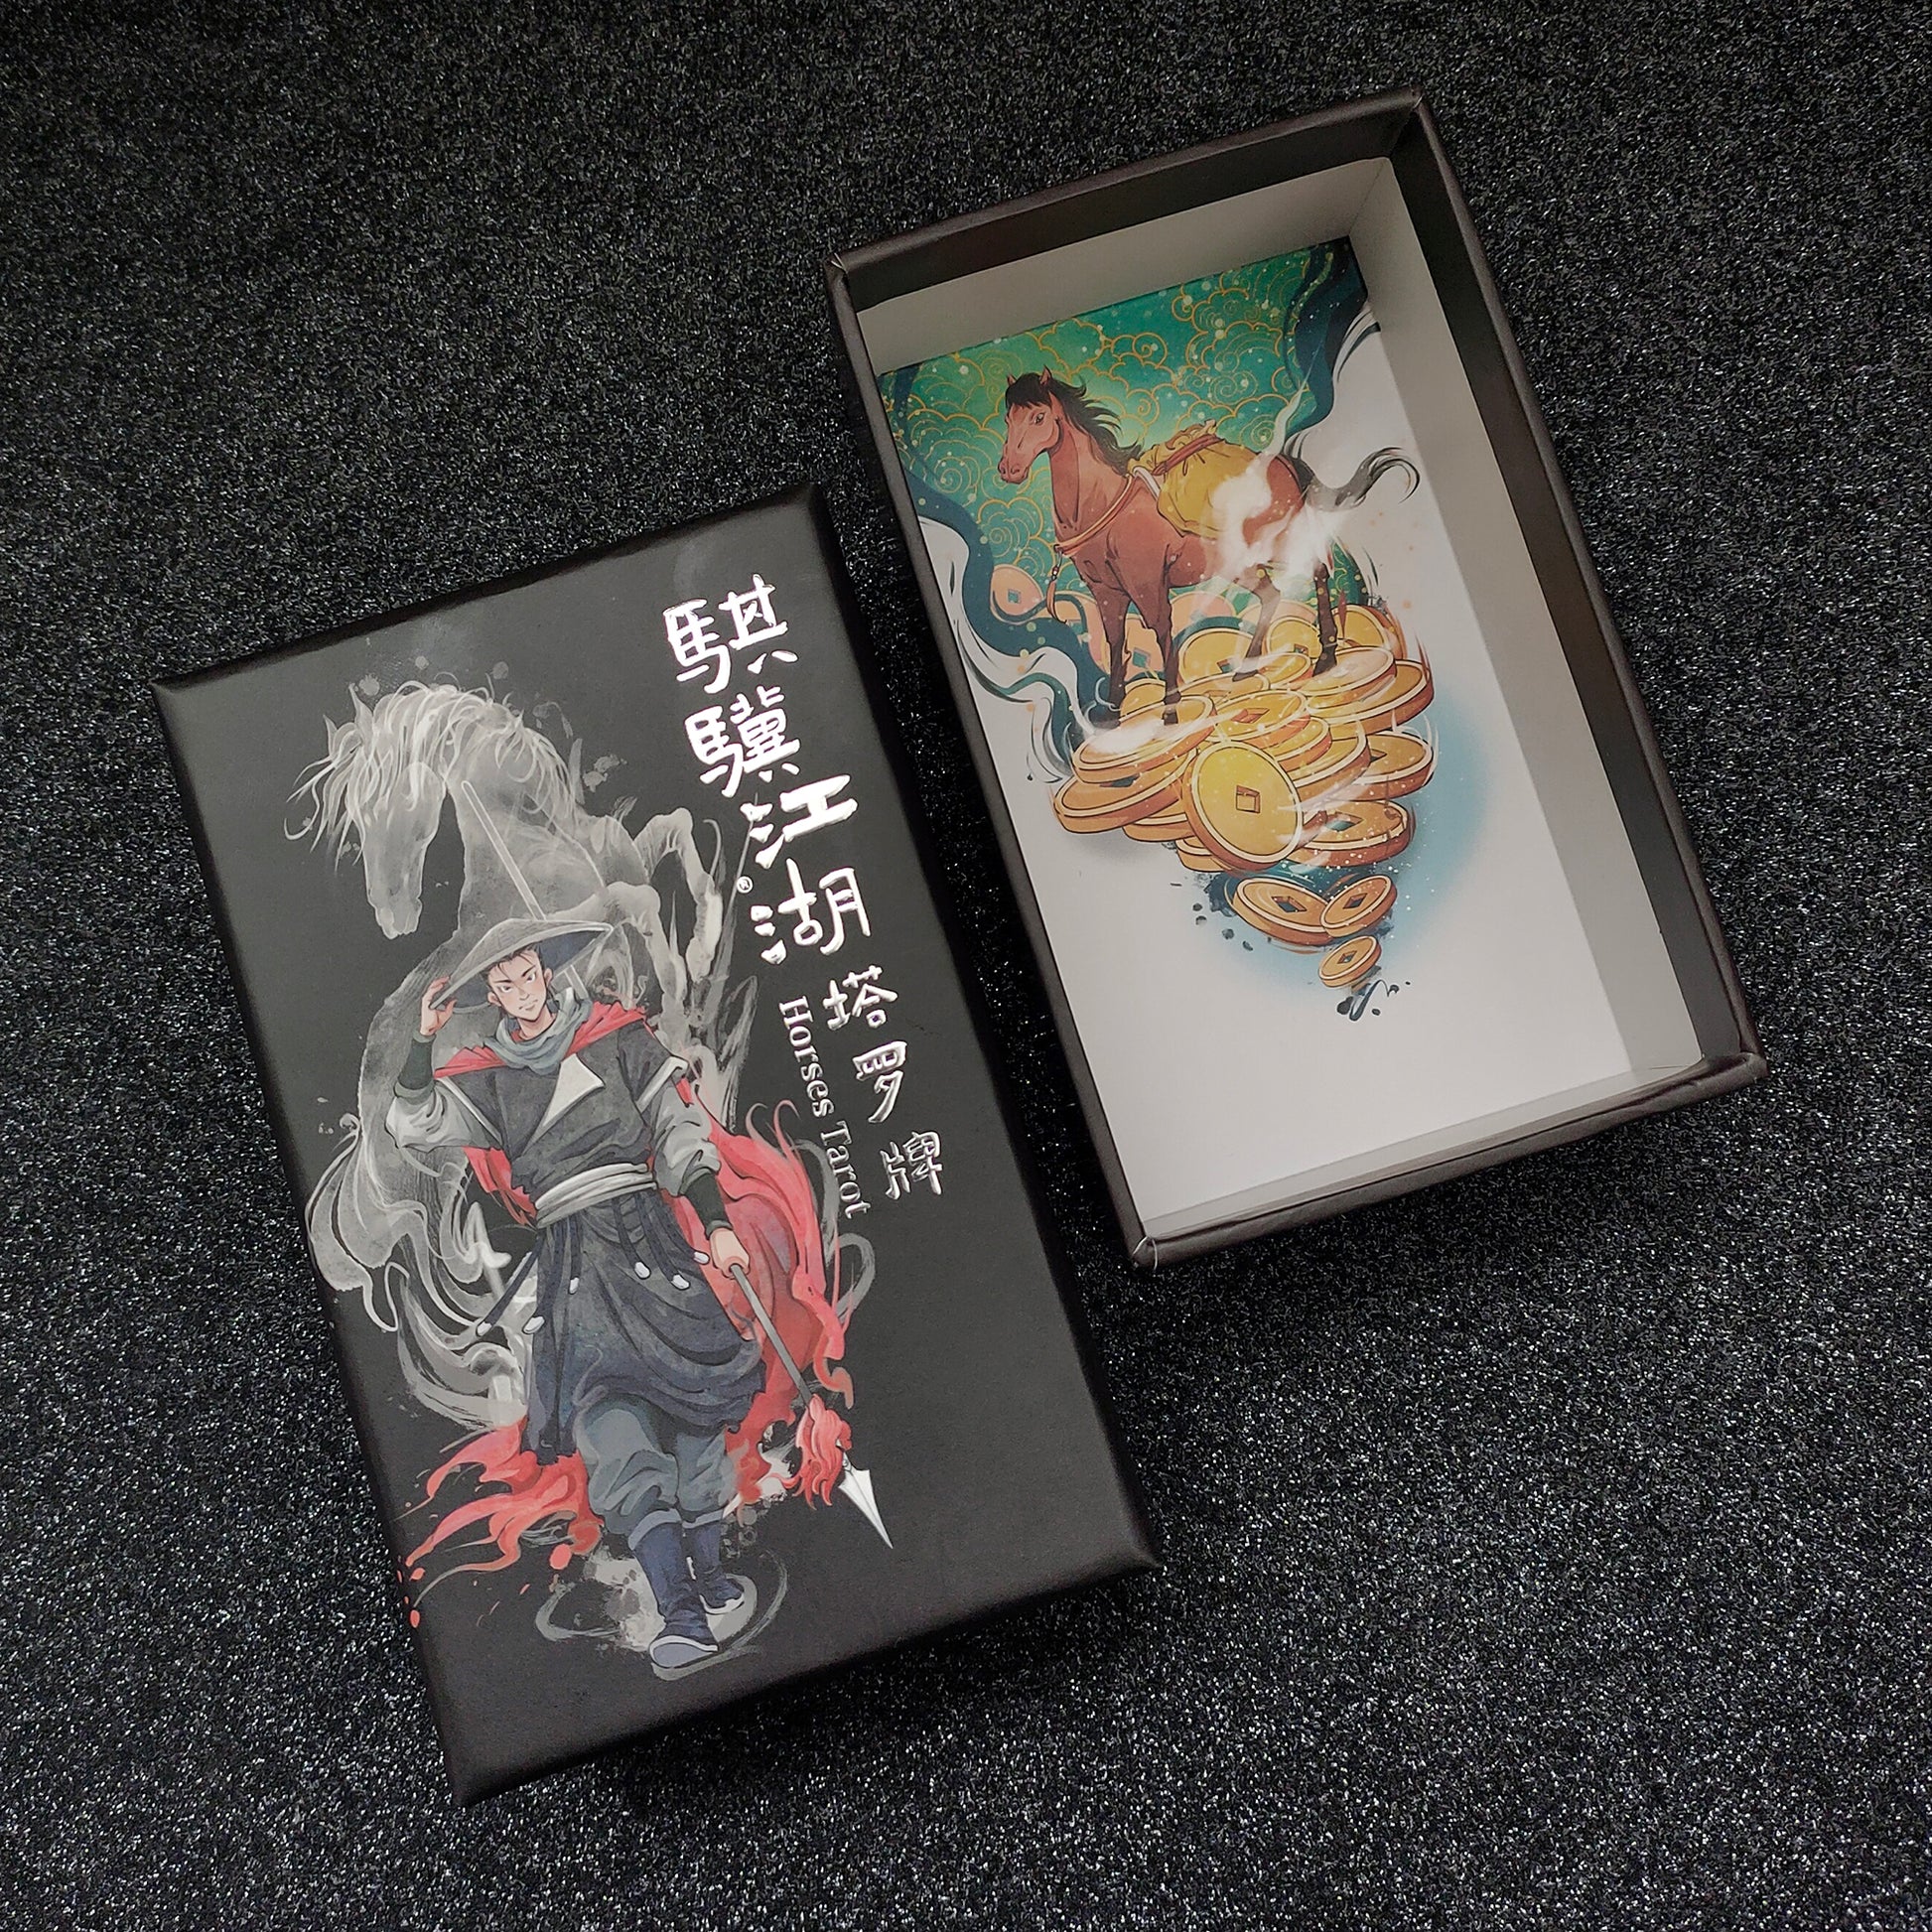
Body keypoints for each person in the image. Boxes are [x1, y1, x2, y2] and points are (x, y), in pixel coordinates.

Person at [387, 914, 763, 1672]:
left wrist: (718, 1225)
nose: (520, 990)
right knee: (611, 1426)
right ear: (492, 995)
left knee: (697, 1408)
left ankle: (714, 1577)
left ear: (546, 969)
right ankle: (680, 1610)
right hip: (574, 1263)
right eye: (503, 983)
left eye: (527, 973)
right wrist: (421, 1043)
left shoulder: (617, 1035)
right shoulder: (488, 1075)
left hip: (651, 1237)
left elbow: (677, 1130)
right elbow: (414, 1120)